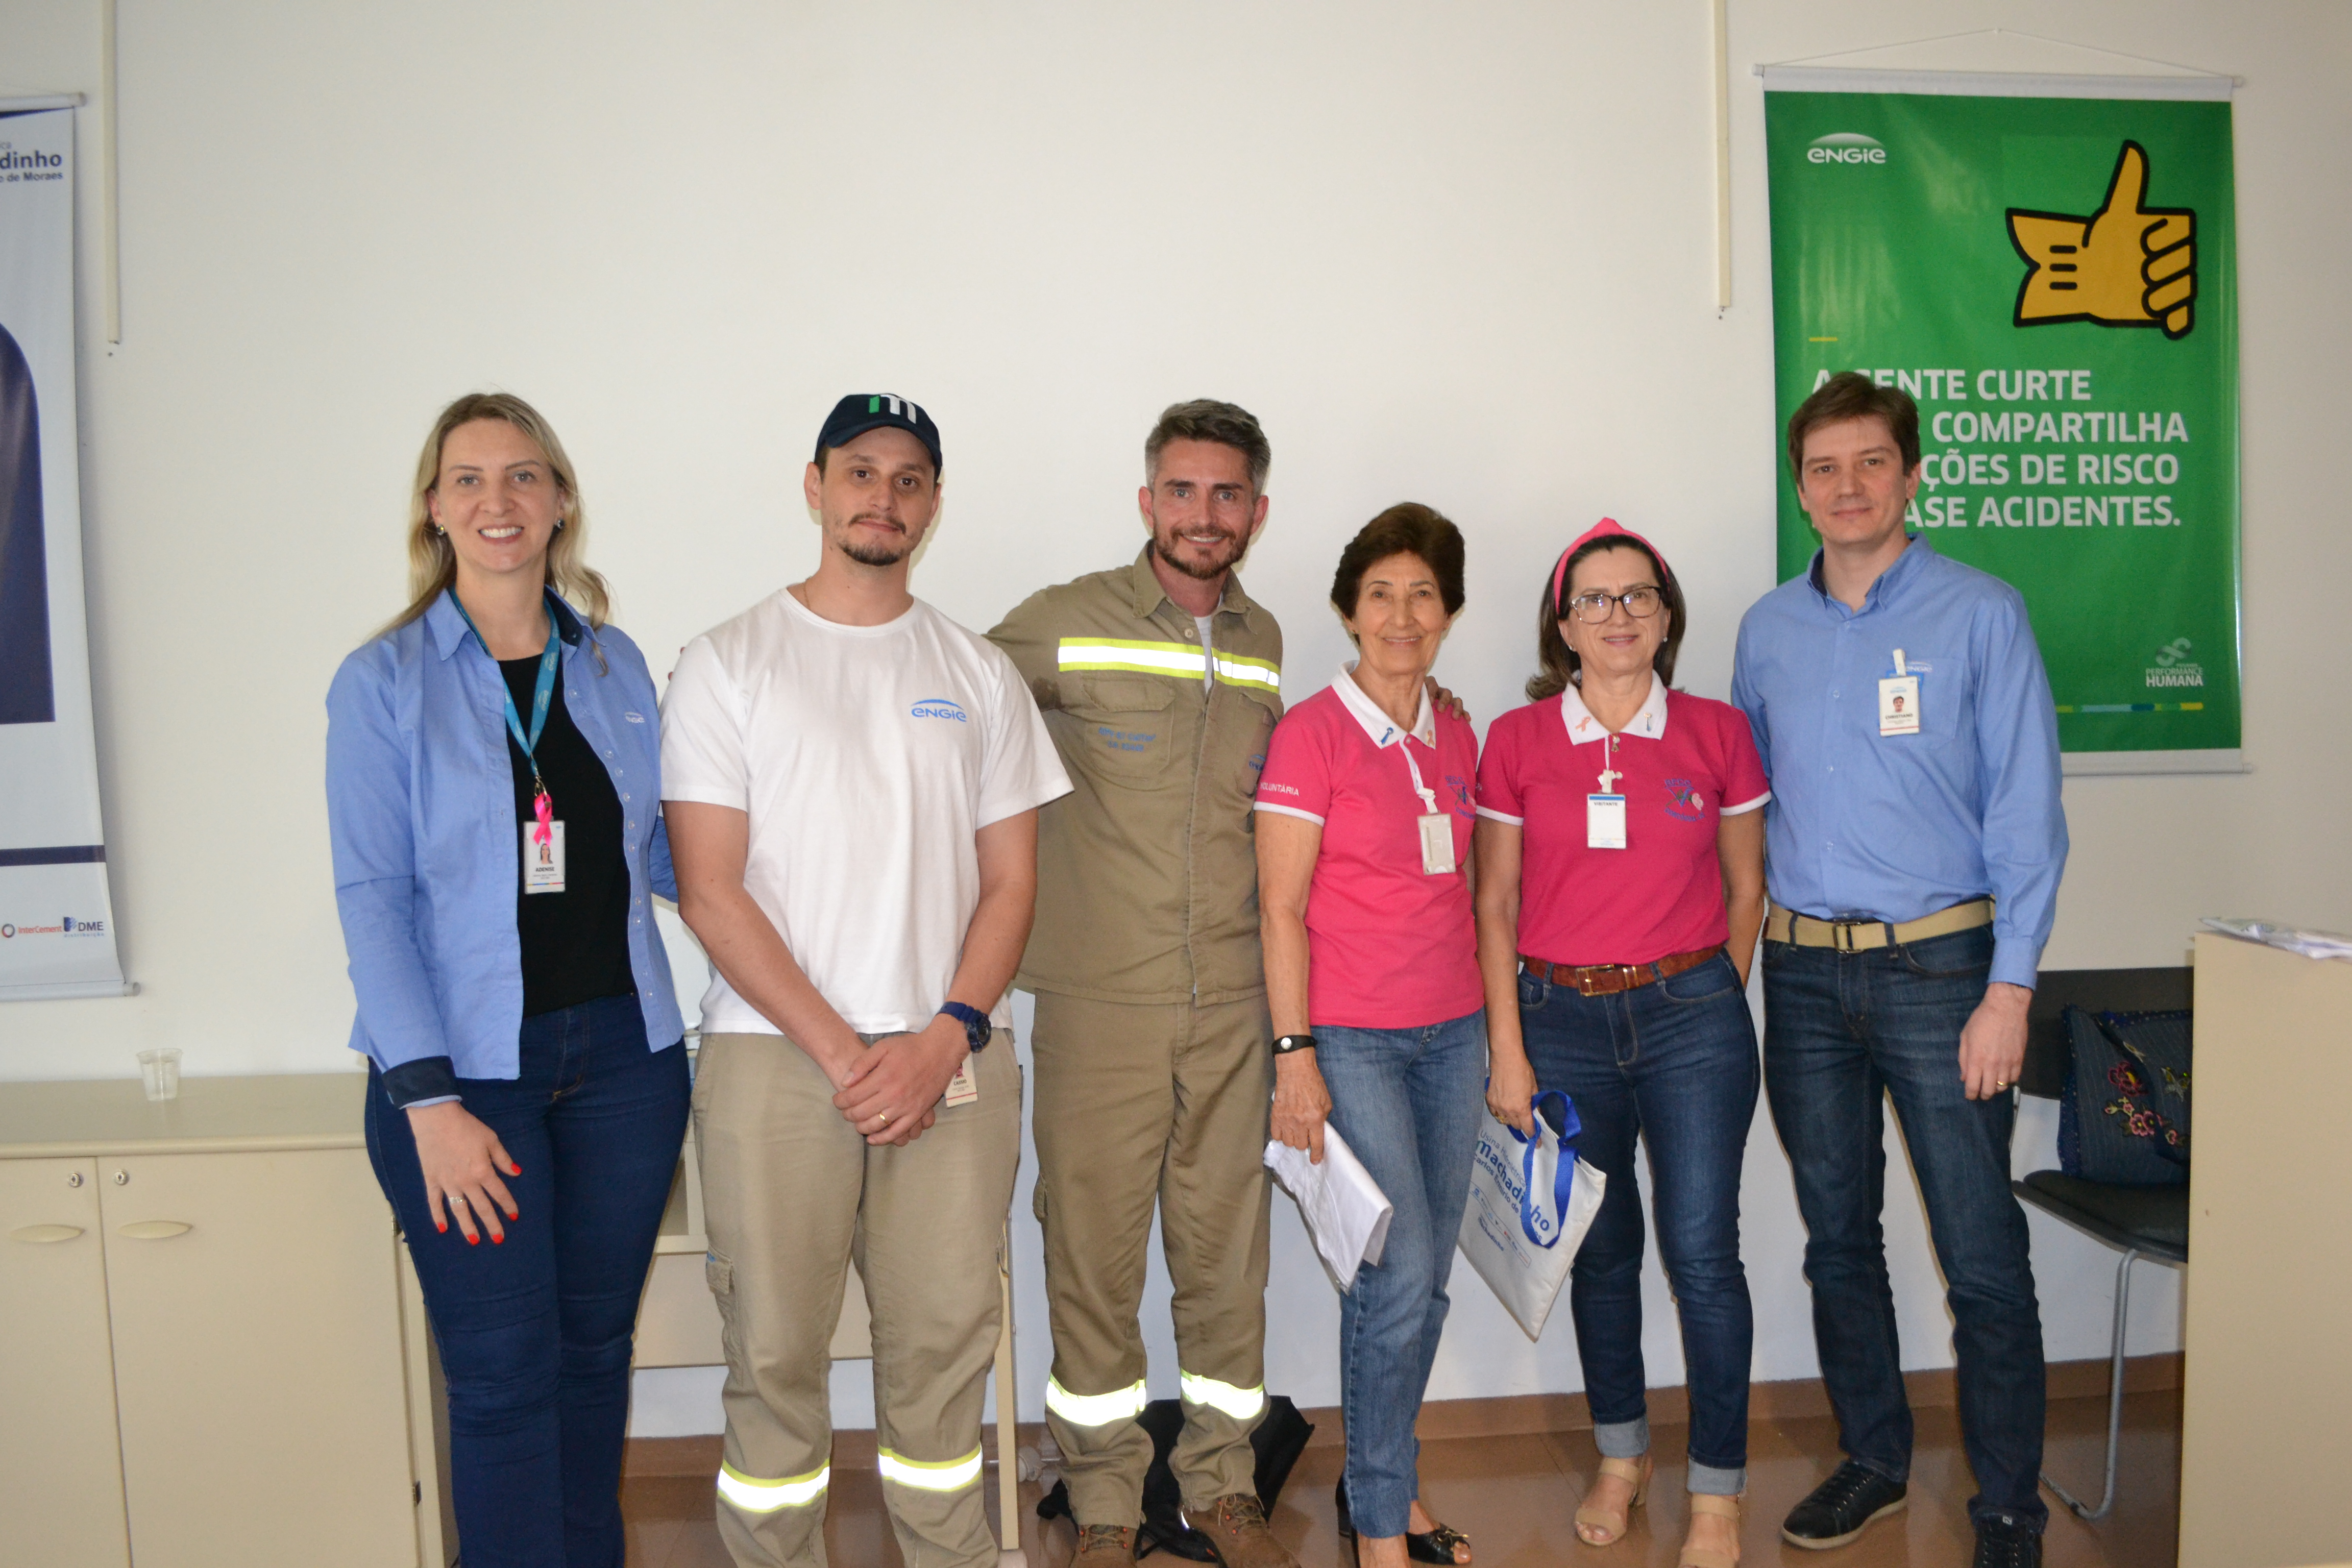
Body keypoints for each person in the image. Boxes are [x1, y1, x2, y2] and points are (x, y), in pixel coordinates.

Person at [663, 394, 1070, 1568]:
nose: (882, 497)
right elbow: (710, 890)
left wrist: (945, 1037)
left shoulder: (977, 672)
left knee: (943, 1352)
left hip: (950, 1061)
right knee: (775, 1355)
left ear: (932, 505)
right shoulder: (728, 663)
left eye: (908, 479)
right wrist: (850, 1057)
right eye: (859, 471)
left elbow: (1012, 886)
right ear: (815, 486)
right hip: (778, 1061)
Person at [328, 391, 689, 1568]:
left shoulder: (613, 664)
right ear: (435, 509)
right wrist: (427, 1101)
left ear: (561, 501)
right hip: (466, 1078)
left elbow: (671, 855)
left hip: (627, 1065)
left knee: (592, 1361)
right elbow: (372, 899)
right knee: (500, 1379)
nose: (500, 500)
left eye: (524, 475)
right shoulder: (383, 682)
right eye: (470, 479)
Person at [1731, 373, 2068, 1568]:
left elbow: (2029, 816)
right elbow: (1742, 810)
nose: (1848, 487)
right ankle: (1875, 1460)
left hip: (1946, 974)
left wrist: (2011, 989)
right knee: (1839, 1241)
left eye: (1871, 462)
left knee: (1982, 1260)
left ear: (1912, 474)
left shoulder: (1983, 614)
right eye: (1824, 468)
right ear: (1800, 488)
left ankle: (2008, 1511)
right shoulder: (1767, 630)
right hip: (1804, 978)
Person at [987, 400, 1298, 1568]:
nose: (1202, 515)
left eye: (1226, 495)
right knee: (1093, 1261)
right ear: (1147, 500)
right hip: (1097, 1003)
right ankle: (1107, 1499)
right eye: (1181, 490)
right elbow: (948, 703)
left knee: (1227, 1258)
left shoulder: (1264, 639)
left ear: (1256, 512)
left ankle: (1224, 1484)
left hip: (1235, 1000)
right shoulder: (1068, 620)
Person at [1474, 518, 1768, 1568]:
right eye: (1594, 599)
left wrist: (1709, 1000)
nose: (1618, 615)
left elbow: (1746, 888)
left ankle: (1718, 1488)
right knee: (1600, 1253)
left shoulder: (1717, 731)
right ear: (1563, 625)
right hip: (1559, 1021)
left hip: (1694, 1020)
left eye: (1639, 595)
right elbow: (1494, 904)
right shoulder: (1517, 741)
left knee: (1703, 1253)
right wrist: (1510, 1049)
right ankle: (1622, 1454)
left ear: (1667, 614)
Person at [1255, 505, 1484, 1568]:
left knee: (1426, 1280)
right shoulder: (1311, 734)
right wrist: (1294, 1056)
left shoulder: (1458, 731)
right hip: (1350, 1038)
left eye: (1423, 595)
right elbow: (1279, 907)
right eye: (1381, 594)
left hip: (1455, 1034)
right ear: (1349, 611)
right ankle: (1382, 1529)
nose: (1402, 615)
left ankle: (1382, 1480)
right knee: (1394, 1279)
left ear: (1450, 613)